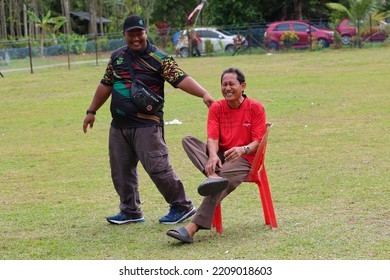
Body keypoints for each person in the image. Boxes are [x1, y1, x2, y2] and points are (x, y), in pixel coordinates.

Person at [82, 15, 214, 226]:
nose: (136, 38)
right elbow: (105, 84)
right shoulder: (117, 57)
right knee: (120, 169)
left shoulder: (159, 57)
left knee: (157, 166)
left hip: (147, 124)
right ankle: (130, 211)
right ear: (124, 35)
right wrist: (92, 111)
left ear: (145, 33)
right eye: (131, 34)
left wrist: (204, 94)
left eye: (139, 33)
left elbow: (181, 79)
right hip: (119, 126)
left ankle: (182, 206)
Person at [166, 68, 267, 243]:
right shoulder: (216, 107)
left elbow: (258, 141)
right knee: (188, 140)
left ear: (242, 86)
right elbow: (212, 137)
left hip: (245, 159)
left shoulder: (255, 107)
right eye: (224, 84)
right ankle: (213, 174)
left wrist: (243, 149)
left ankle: (191, 228)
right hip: (221, 156)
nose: (227, 88)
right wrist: (213, 155)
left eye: (231, 84)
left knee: (219, 181)